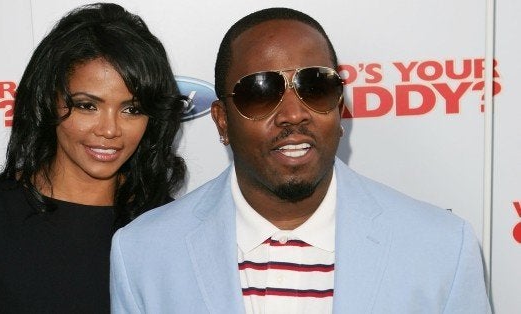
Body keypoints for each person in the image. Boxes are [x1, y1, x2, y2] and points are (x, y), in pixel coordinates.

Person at [110, 7, 491, 314]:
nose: (294, 114)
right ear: (222, 122)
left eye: (316, 86)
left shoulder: (441, 247)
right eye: (260, 92)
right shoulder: (144, 253)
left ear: (339, 108)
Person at [0, 3, 185, 313]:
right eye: (86, 105)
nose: (109, 130)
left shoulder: (168, 227)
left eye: (132, 109)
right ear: (48, 100)